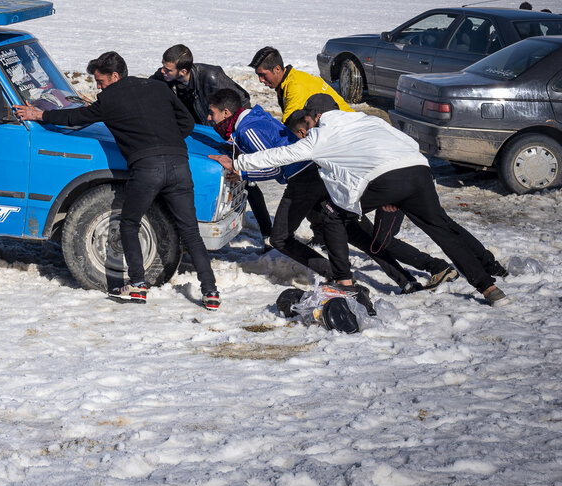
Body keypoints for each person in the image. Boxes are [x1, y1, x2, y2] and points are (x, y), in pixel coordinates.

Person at [216, 93, 511, 307]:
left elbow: (283, 155)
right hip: (418, 170)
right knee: (443, 231)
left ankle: (344, 282)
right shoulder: (367, 121)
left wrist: (239, 165)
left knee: (332, 215)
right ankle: (488, 287)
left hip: (384, 179)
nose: (307, 127)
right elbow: (407, 143)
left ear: (316, 116)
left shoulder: (324, 133)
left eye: (308, 121)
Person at [12, 51, 219, 309]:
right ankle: (210, 292)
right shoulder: (159, 88)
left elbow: (76, 118)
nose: (98, 87)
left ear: (115, 75)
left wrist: (39, 115)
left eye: (100, 82)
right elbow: (187, 122)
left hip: (147, 168)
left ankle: (137, 286)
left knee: (129, 223)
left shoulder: (110, 99)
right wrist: (167, 139)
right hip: (179, 164)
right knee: (190, 231)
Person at [204, 88, 360, 298]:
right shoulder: (254, 117)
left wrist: (243, 173)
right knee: (343, 226)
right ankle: (399, 274)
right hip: (312, 172)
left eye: (211, 113)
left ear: (225, 113)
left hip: (303, 178)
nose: (209, 118)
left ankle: (333, 273)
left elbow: (275, 167)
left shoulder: (247, 130)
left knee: (280, 238)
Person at [156, 44, 272, 240]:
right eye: (163, 67)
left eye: (168, 69)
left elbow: (241, 99)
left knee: (245, 181)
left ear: (183, 71)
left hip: (222, 133)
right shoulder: (165, 77)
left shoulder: (211, 76)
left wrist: (233, 132)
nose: (162, 72)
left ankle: (268, 234)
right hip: (196, 133)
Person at [249, 46, 351, 123]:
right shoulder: (288, 81)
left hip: (348, 126)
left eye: (263, 75)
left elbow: (289, 127)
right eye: (258, 75)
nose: (260, 80)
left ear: (277, 69)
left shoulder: (295, 86)